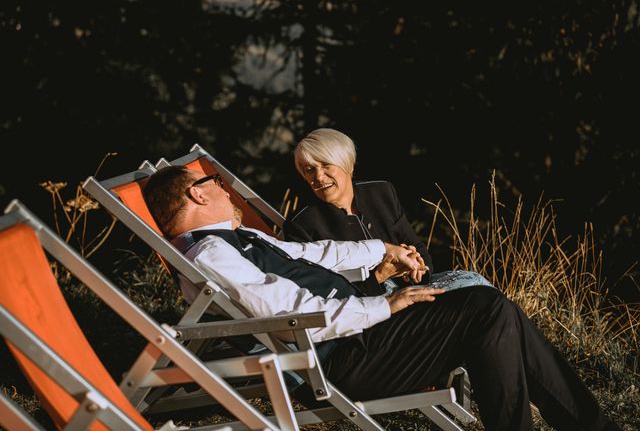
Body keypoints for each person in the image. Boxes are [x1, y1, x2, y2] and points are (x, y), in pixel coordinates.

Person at [142, 164, 620, 431]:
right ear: (198, 197)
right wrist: (384, 305)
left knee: (494, 311)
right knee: (487, 311)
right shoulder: (211, 254)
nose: (224, 186)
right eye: (213, 183)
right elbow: (284, 310)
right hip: (344, 359)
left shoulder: (243, 239)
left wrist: (381, 250)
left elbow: (315, 253)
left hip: (364, 335)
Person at [284, 127, 492, 296]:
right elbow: (319, 294)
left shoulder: (380, 192)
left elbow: (416, 245)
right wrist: (380, 276)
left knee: (478, 285)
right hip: (371, 306)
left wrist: (418, 268)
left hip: (412, 288)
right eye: (309, 170)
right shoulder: (302, 224)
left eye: (326, 165)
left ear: (348, 165)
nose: (318, 177)